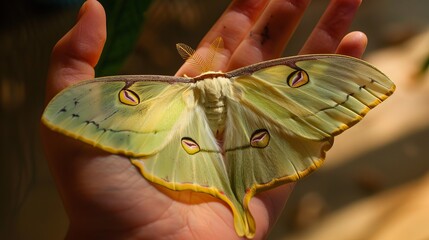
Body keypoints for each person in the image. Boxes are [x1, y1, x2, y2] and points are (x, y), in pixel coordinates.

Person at [41, 0, 367, 239]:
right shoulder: (247, 80)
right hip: (248, 134)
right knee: (250, 172)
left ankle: (237, 204)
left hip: (190, 141)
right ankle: (238, 205)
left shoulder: (181, 88)